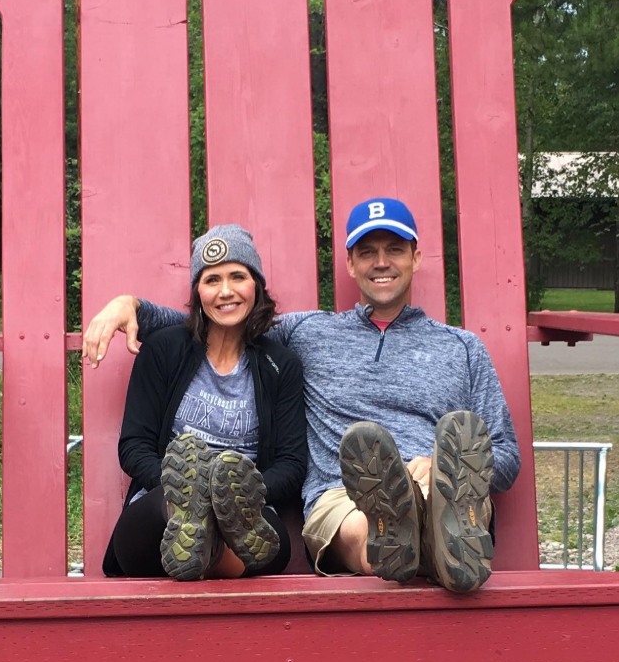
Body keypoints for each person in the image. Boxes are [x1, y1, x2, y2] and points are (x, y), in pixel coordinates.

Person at [88, 199, 520, 593]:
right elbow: (224, 318)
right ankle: (422, 551)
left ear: (416, 257)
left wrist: (440, 465)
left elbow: (505, 455)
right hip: (347, 493)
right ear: (350, 263)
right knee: (363, 521)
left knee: (460, 493)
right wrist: (135, 308)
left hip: (442, 487)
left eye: (395, 250)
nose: (381, 262)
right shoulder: (311, 333)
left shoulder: (462, 347)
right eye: (368, 252)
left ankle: (442, 535)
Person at [102, 224, 307, 582]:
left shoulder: (280, 365)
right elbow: (134, 446)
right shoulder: (164, 350)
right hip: (162, 505)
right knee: (168, 513)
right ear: (198, 292)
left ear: (256, 286)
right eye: (212, 280)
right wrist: (180, 487)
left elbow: (291, 463)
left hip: (245, 506)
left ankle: (206, 547)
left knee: (274, 543)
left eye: (237, 277)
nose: (225, 291)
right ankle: (206, 538)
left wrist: (245, 493)